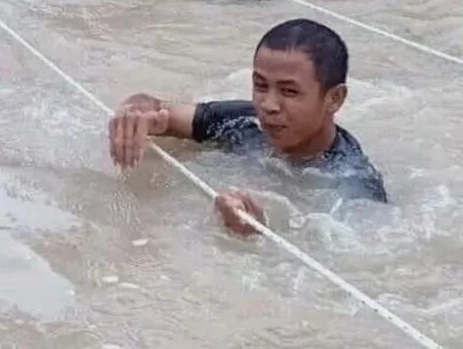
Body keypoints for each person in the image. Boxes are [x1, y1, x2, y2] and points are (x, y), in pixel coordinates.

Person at [108, 19, 388, 236]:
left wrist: (260, 237)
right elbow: (158, 109)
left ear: (334, 98)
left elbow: (344, 269)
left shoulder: (354, 184)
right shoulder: (244, 122)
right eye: (260, 85)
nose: (268, 105)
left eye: (289, 92)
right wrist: (134, 114)